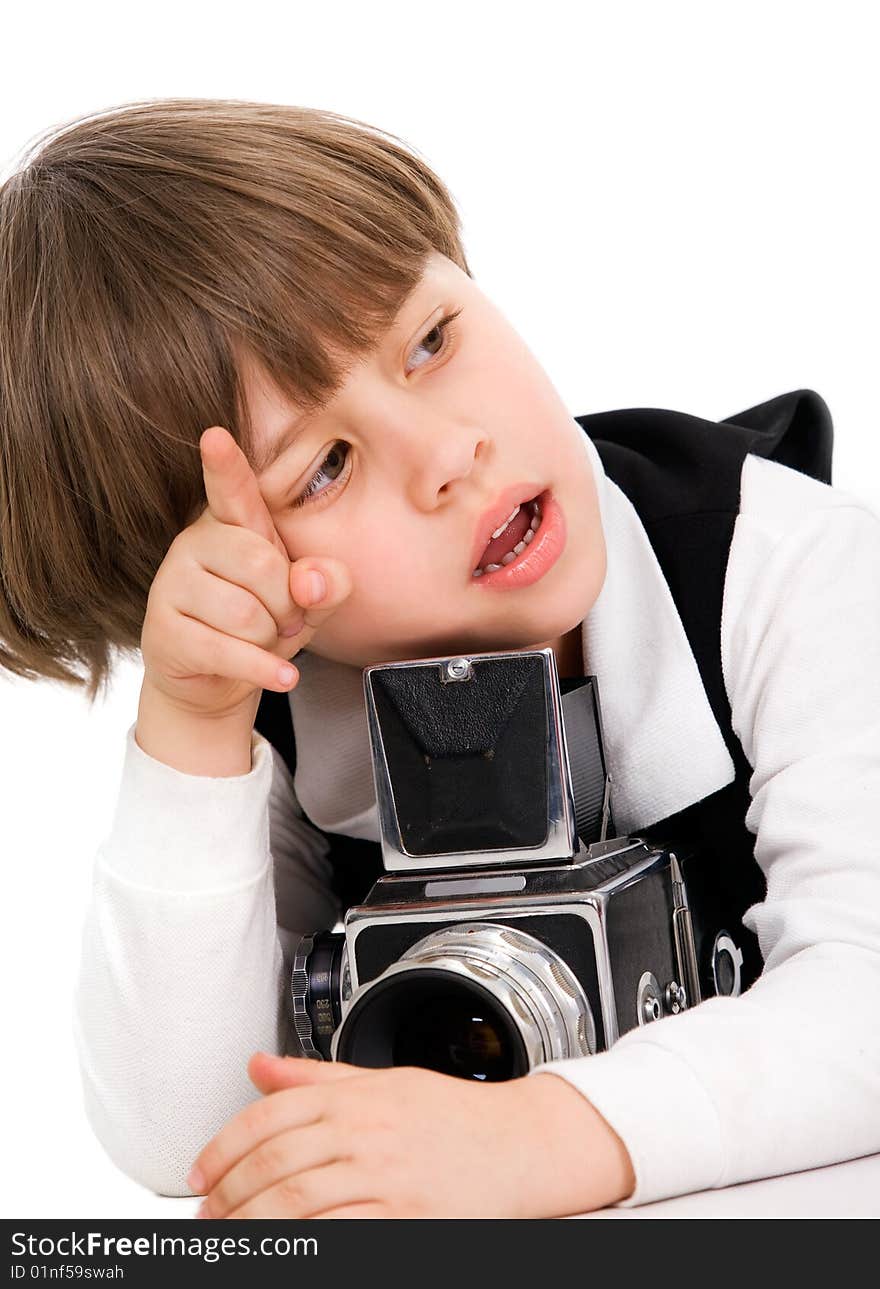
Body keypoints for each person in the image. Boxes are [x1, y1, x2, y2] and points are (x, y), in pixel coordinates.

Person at [1, 98, 878, 1220]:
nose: (446, 454)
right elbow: (193, 1136)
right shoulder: (280, 706)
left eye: (428, 340)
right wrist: (190, 722)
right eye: (321, 468)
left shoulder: (786, 565)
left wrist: (543, 1135)